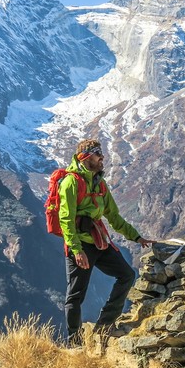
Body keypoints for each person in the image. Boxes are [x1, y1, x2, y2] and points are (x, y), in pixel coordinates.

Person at [58, 139, 152, 346]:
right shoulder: (71, 183)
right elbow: (65, 219)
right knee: (75, 295)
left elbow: (114, 216)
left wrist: (136, 237)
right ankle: (74, 342)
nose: (102, 158)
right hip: (81, 245)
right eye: (97, 154)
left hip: (99, 242)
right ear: (85, 157)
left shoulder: (99, 183)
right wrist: (77, 250)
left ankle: (105, 323)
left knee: (127, 275)